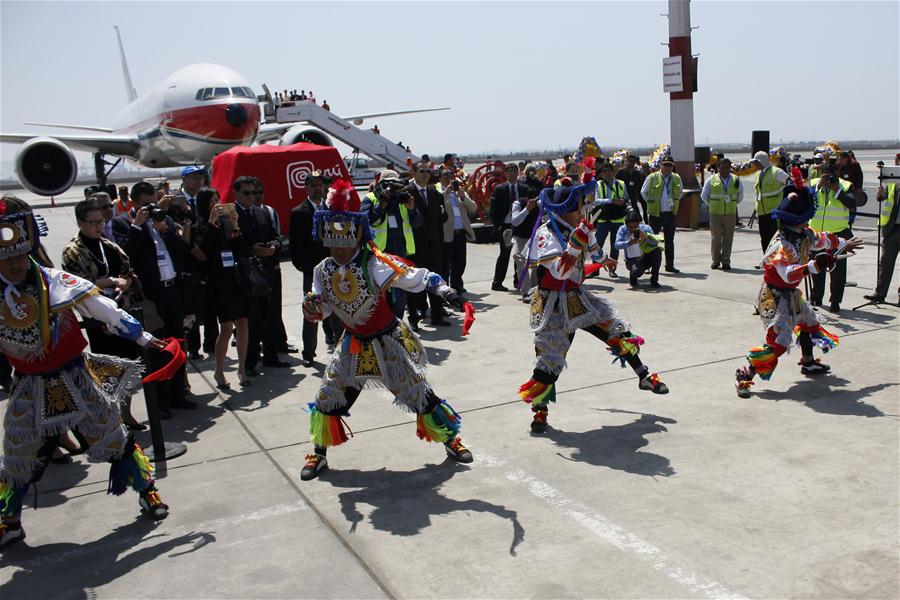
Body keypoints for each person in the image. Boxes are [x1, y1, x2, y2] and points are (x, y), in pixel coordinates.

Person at [0, 196, 171, 548]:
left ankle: (147, 490)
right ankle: (10, 520)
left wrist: (145, 337)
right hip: (29, 386)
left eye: (19, 256)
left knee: (114, 436)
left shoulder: (56, 283)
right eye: (6, 258)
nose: (15, 264)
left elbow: (104, 309)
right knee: (17, 453)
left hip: (75, 377)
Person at [298, 179, 473, 481]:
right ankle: (319, 453)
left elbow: (417, 276)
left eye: (344, 241)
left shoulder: (375, 264)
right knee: (329, 394)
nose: (338, 248)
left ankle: (450, 439)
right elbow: (324, 307)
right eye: (332, 241)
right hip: (352, 343)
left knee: (418, 393)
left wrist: (446, 291)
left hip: (386, 341)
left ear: (356, 236)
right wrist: (313, 308)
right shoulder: (323, 269)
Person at [517, 182, 669, 434]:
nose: (584, 208)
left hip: (577, 297)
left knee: (617, 331)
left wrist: (604, 259)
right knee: (549, 362)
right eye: (579, 205)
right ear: (566, 209)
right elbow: (558, 272)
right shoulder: (547, 234)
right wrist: (576, 243)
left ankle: (643, 375)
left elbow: (594, 251)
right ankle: (540, 411)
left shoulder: (579, 227)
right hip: (552, 303)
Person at [735, 187, 863, 398]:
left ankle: (808, 361)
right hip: (773, 297)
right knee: (778, 344)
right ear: (796, 219)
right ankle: (746, 374)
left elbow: (823, 239)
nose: (808, 221)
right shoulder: (781, 244)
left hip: (790, 293)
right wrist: (814, 265)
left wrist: (843, 244)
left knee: (810, 321)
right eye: (806, 217)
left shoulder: (804, 232)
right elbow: (787, 273)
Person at [112, 181, 194, 417]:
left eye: (154, 202)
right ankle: (160, 402)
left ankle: (179, 394)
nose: (152, 208)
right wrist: (137, 226)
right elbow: (125, 253)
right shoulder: (121, 223)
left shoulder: (163, 221)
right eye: (147, 204)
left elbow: (181, 250)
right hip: (150, 295)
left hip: (172, 290)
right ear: (135, 203)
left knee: (178, 343)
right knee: (156, 349)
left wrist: (165, 229)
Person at [61, 198, 144, 429]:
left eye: (101, 221)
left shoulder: (109, 246)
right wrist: (106, 281)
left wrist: (124, 283)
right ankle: (111, 415)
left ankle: (126, 412)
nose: (98, 226)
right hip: (98, 318)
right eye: (93, 222)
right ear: (80, 222)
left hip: (121, 311)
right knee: (108, 369)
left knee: (128, 364)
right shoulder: (73, 251)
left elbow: (128, 271)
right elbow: (75, 286)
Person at [232, 176, 289, 374]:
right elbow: (228, 244)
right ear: (236, 193)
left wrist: (273, 247)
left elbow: (276, 236)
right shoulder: (230, 215)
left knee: (270, 315)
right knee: (251, 320)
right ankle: (249, 361)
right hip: (244, 274)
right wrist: (251, 249)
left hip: (266, 271)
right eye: (246, 193)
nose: (251, 197)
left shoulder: (262, 212)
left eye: (255, 193)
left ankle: (271, 356)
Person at [290, 171, 344, 366]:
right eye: (312, 185)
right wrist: (305, 268)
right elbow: (295, 247)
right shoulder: (298, 212)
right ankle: (308, 354)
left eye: (319, 184)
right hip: (312, 273)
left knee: (338, 311)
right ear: (306, 188)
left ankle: (342, 350)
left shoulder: (332, 210)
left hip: (334, 270)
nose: (317, 188)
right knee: (311, 312)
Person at [200, 189, 251, 388]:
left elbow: (244, 251)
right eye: (212, 201)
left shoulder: (227, 225)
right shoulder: (204, 226)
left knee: (243, 324)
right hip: (218, 282)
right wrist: (212, 224)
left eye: (218, 200)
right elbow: (203, 251)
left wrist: (235, 224)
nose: (217, 204)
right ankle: (219, 370)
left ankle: (242, 368)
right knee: (227, 327)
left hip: (235, 279)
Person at [361, 169, 422, 320]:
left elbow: (418, 223)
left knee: (399, 297)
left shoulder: (402, 200)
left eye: (396, 186)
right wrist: (381, 205)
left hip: (399, 256)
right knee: (379, 298)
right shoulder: (370, 199)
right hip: (378, 257)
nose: (394, 190)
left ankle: (397, 328)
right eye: (390, 186)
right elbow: (365, 223)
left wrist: (412, 208)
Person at [253, 179, 295, 355]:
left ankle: (280, 343)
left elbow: (278, 235)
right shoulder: (242, 214)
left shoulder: (270, 211)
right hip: (255, 270)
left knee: (275, 308)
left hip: (272, 266)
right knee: (259, 312)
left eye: (259, 193)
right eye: (252, 193)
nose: (257, 197)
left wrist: (274, 247)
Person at [407, 161, 448, 329]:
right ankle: (418, 314)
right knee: (416, 282)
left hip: (434, 245)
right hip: (416, 246)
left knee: (436, 280)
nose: (425, 174)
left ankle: (437, 315)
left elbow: (441, 219)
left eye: (427, 171)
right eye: (421, 171)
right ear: (415, 173)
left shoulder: (434, 193)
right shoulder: (408, 192)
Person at [808, 171, 856, 313]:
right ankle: (816, 297)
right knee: (816, 266)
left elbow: (852, 203)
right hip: (817, 233)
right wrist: (818, 186)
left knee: (837, 270)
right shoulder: (813, 183)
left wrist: (837, 190)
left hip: (838, 233)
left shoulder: (846, 186)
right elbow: (804, 200)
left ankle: (835, 301)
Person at [489, 163, 530, 291]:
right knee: (504, 254)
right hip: (505, 226)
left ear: (518, 173)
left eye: (514, 171)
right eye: (509, 171)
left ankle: (518, 281)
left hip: (520, 225)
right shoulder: (499, 189)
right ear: (505, 174)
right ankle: (497, 282)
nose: (512, 173)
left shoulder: (524, 188)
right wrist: (499, 227)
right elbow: (493, 211)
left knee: (520, 256)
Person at [438, 169, 477, 296]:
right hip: (446, 233)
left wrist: (463, 197)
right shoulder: (438, 191)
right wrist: (445, 193)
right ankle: (445, 288)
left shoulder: (460, 192)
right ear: (440, 177)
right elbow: (436, 206)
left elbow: (473, 208)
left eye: (450, 175)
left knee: (460, 262)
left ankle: (457, 285)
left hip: (460, 232)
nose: (448, 177)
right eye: (445, 175)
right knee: (445, 264)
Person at [700, 157, 743, 270]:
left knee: (728, 238)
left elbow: (740, 196)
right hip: (715, 213)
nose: (725, 170)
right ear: (718, 168)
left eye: (727, 168)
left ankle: (726, 261)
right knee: (716, 238)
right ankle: (715, 260)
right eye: (722, 167)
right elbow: (704, 196)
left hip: (730, 213)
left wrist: (732, 204)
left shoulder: (736, 180)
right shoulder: (711, 180)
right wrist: (713, 204)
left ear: (730, 168)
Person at [641, 158, 683, 273]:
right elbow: (643, 192)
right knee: (651, 240)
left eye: (670, 165)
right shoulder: (652, 177)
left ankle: (669, 265)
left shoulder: (676, 178)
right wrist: (652, 203)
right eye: (665, 164)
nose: (667, 167)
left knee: (669, 241)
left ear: (673, 166)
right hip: (656, 214)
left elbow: (680, 193)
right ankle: (647, 266)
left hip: (670, 213)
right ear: (660, 165)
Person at [864, 182, 900, 304]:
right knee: (885, 263)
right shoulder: (893, 179)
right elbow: (881, 197)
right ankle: (880, 293)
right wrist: (880, 194)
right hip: (892, 229)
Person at [591, 162, 629, 278]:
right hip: (603, 219)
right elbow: (595, 201)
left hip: (618, 219)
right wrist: (611, 201)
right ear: (601, 174)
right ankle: (595, 270)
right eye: (604, 171)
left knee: (615, 246)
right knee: (597, 245)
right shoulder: (597, 185)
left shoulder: (621, 184)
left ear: (613, 172)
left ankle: (612, 270)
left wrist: (623, 202)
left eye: (609, 171)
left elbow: (627, 198)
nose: (607, 173)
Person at [752, 150, 790, 253]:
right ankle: (766, 260)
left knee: (775, 238)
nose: (754, 164)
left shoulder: (776, 172)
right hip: (761, 212)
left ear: (761, 162)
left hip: (774, 213)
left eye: (755, 162)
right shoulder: (757, 174)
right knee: (764, 238)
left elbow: (790, 183)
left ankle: (776, 261)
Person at [614, 210, 662, 288]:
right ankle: (633, 277)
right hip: (632, 260)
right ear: (626, 224)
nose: (632, 229)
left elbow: (656, 243)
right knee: (636, 271)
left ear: (639, 223)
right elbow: (616, 245)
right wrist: (629, 243)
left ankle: (654, 280)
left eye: (635, 227)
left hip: (646, 257)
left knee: (657, 251)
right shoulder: (623, 229)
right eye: (630, 227)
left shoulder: (646, 228)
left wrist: (646, 237)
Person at [510, 186, 541, 302]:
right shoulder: (518, 204)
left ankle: (535, 288)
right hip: (521, 236)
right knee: (519, 257)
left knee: (536, 263)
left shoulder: (540, 205)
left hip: (535, 236)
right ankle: (526, 290)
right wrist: (527, 209)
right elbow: (515, 221)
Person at [617, 153, 646, 223]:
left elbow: (641, 187)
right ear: (627, 161)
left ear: (635, 162)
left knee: (636, 220)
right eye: (629, 161)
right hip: (622, 201)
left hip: (633, 200)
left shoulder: (638, 173)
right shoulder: (621, 172)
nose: (631, 163)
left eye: (633, 161)